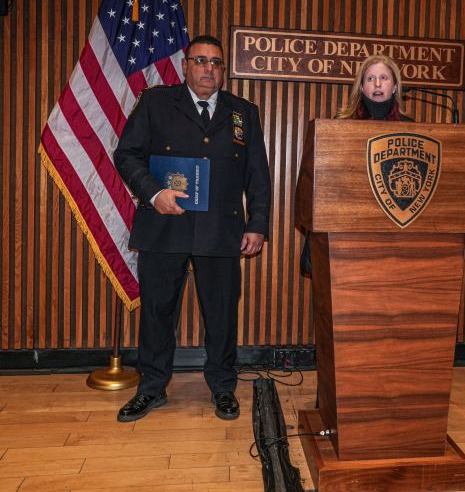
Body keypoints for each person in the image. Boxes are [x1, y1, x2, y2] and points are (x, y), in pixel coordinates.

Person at [113, 34, 271, 422]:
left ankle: (222, 387)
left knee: (220, 314)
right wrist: (153, 193)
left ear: (223, 71)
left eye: (216, 63)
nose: (208, 69)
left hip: (221, 229)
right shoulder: (156, 102)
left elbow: (258, 175)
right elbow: (126, 154)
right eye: (200, 61)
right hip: (165, 225)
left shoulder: (243, 112)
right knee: (157, 312)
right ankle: (151, 389)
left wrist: (259, 225)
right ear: (185, 66)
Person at [299, 54, 411, 276]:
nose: (377, 84)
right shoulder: (341, 127)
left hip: (396, 242)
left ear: (395, 86)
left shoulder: (413, 131)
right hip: (348, 236)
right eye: (370, 79)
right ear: (361, 86)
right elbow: (323, 186)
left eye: (383, 78)